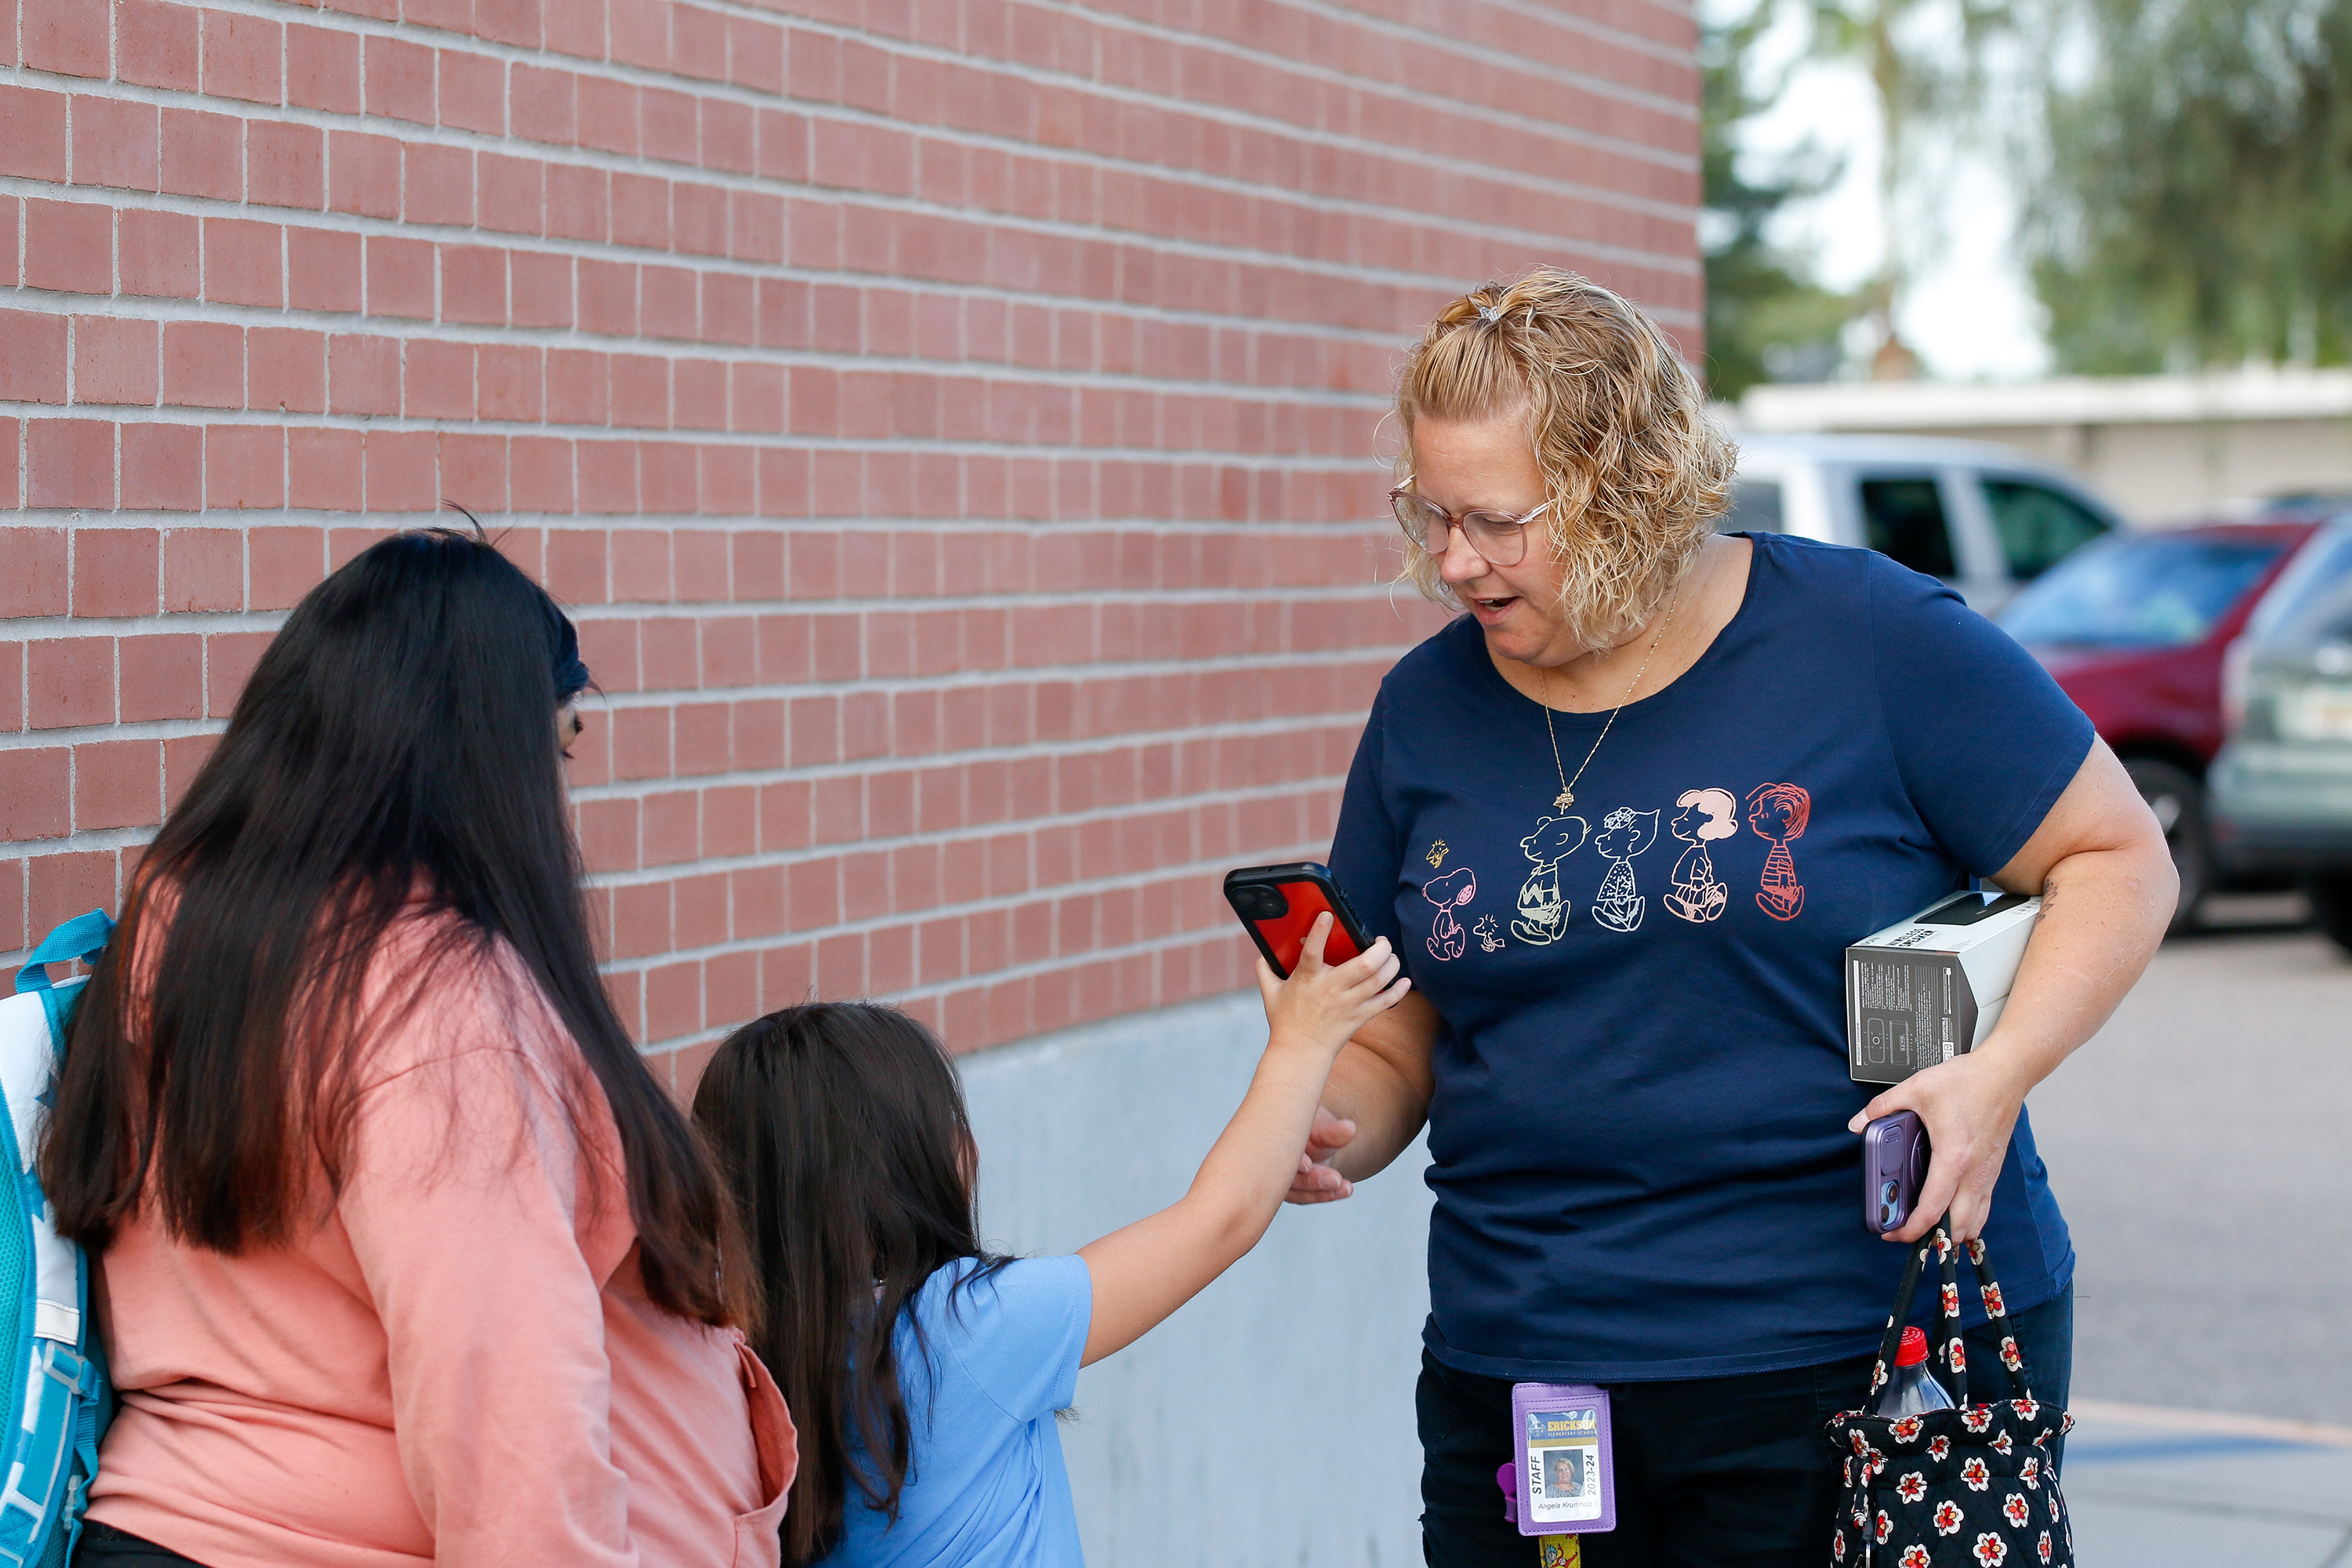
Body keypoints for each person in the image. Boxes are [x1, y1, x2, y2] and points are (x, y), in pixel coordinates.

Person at [1294, 270, 2176, 1565]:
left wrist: (1998, 1077)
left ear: (1629, 488)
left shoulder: (1871, 638)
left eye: (1494, 521)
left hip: (1854, 1356)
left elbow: (2117, 856)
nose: (1453, 561)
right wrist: (1326, 1128)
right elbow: (1397, 1024)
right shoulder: (1424, 711)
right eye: (1427, 514)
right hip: (1529, 1368)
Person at [45, 529, 795, 1566]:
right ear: (487, 749)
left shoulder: (176, 940)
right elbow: (497, 1381)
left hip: (156, 1523)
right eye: (560, 740)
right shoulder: (430, 995)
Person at [693, 916, 1407, 1566]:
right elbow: (1222, 1219)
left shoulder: (727, 1349)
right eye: (946, 1121)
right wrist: (1304, 1040)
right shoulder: (963, 1328)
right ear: (901, 1166)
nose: (968, 1142)